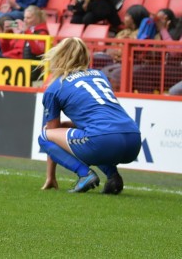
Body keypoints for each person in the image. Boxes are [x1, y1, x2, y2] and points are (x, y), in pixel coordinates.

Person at [37, 38, 142, 194]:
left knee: (44, 135)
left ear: (59, 56)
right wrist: (69, 126)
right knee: (86, 133)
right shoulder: (99, 75)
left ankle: (84, 174)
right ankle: (113, 176)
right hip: (134, 140)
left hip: (102, 141)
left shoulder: (55, 87)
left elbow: (51, 133)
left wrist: (50, 176)